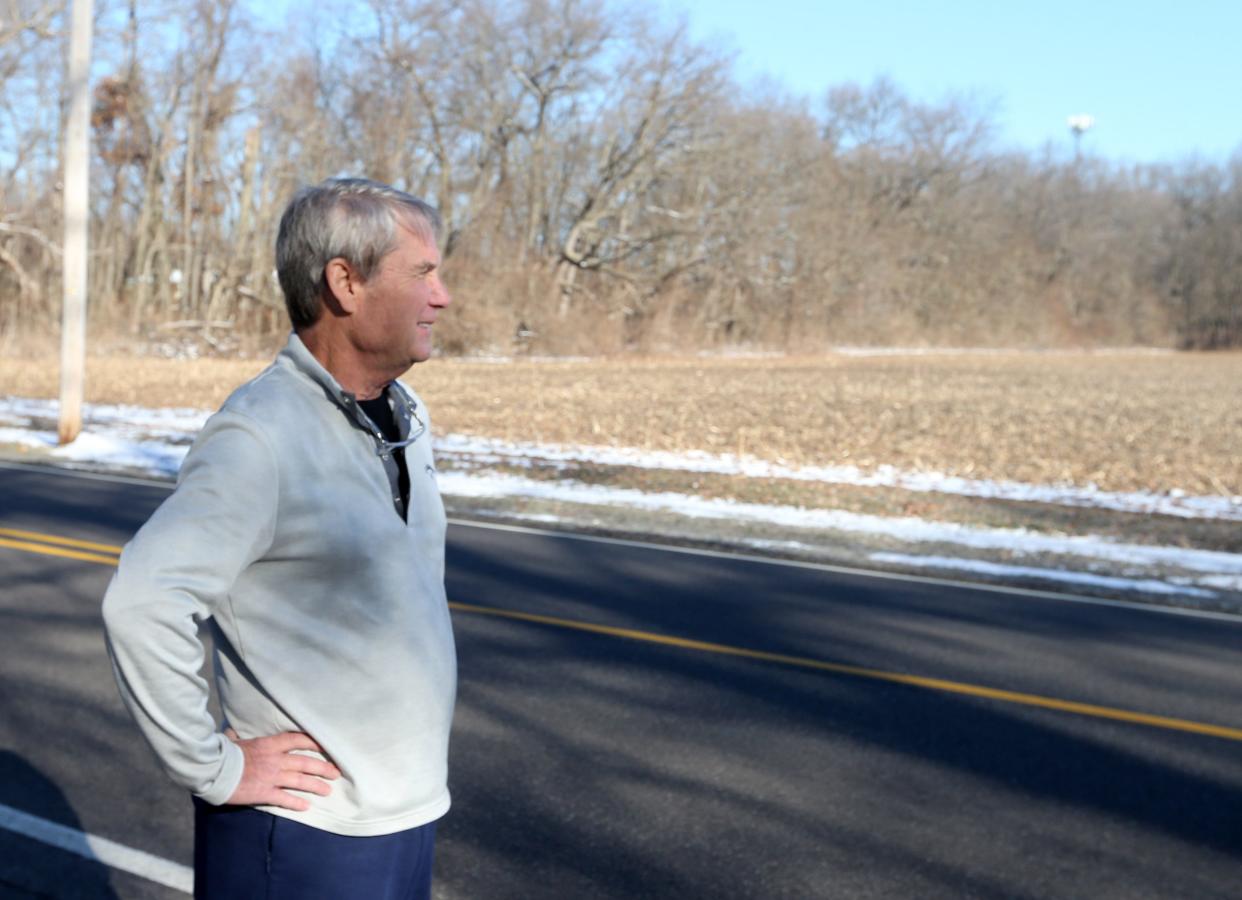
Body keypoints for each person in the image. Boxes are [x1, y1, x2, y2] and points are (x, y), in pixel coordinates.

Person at [102, 178, 456, 900]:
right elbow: (142, 603)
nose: (442, 295)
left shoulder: (402, 413)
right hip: (303, 835)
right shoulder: (259, 436)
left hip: (403, 816)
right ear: (345, 283)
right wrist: (215, 769)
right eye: (422, 272)